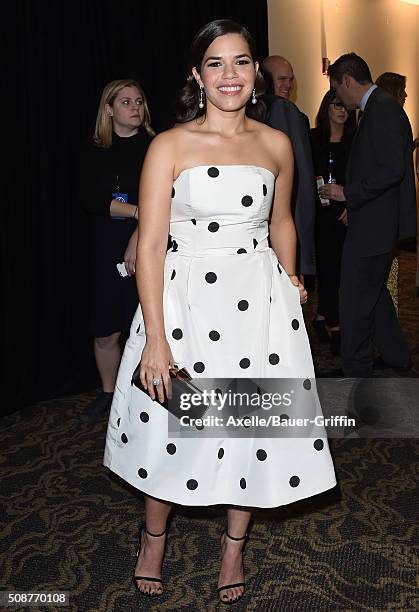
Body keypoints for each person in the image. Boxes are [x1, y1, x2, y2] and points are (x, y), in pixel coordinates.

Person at [104, 20, 336, 605]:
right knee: (171, 429)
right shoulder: (170, 145)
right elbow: (152, 245)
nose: (229, 75)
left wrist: (290, 280)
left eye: (240, 62)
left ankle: (234, 547)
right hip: (184, 303)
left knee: (248, 426)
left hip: (256, 306)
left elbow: (282, 221)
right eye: (215, 63)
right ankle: (153, 536)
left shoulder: (276, 143)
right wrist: (157, 338)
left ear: (256, 71)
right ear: (197, 73)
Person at [319, 53, 416, 377]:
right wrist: (356, 204)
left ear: (347, 80)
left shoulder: (381, 109)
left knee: (355, 301)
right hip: (375, 220)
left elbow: (391, 169)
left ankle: (356, 372)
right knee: (373, 295)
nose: (338, 98)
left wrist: (350, 194)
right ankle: (397, 356)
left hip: (375, 226)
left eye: (336, 88)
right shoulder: (381, 108)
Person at [78, 79, 154, 421]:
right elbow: (89, 199)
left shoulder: (156, 145)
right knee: (106, 328)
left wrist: (141, 223)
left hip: (150, 240)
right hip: (106, 244)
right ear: (109, 110)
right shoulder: (94, 149)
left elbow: (166, 197)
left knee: (148, 324)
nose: (135, 107)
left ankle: (149, 394)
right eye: (126, 102)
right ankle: (108, 395)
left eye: (139, 100)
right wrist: (136, 210)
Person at [310, 90, 356, 355]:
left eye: (345, 106)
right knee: (327, 270)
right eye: (336, 105)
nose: (341, 110)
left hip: (345, 213)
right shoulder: (313, 138)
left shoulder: (355, 140)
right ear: (326, 106)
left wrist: (352, 203)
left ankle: (323, 318)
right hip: (319, 214)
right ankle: (334, 326)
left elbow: (362, 178)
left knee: (341, 271)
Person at [261, 58, 316, 278]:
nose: (288, 85)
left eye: (291, 80)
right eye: (282, 79)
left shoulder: (284, 111)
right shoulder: (283, 110)